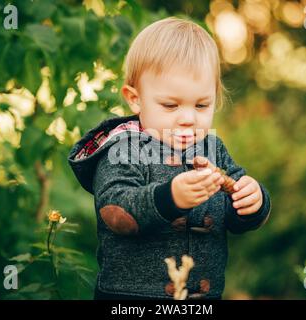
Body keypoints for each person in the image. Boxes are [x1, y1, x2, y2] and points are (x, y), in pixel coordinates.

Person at [68, 17, 271, 300]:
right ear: (135, 98)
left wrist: (253, 200)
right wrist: (169, 198)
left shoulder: (212, 148)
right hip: (131, 298)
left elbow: (236, 211)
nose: (188, 118)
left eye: (202, 105)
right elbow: (116, 208)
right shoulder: (122, 148)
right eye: (170, 105)